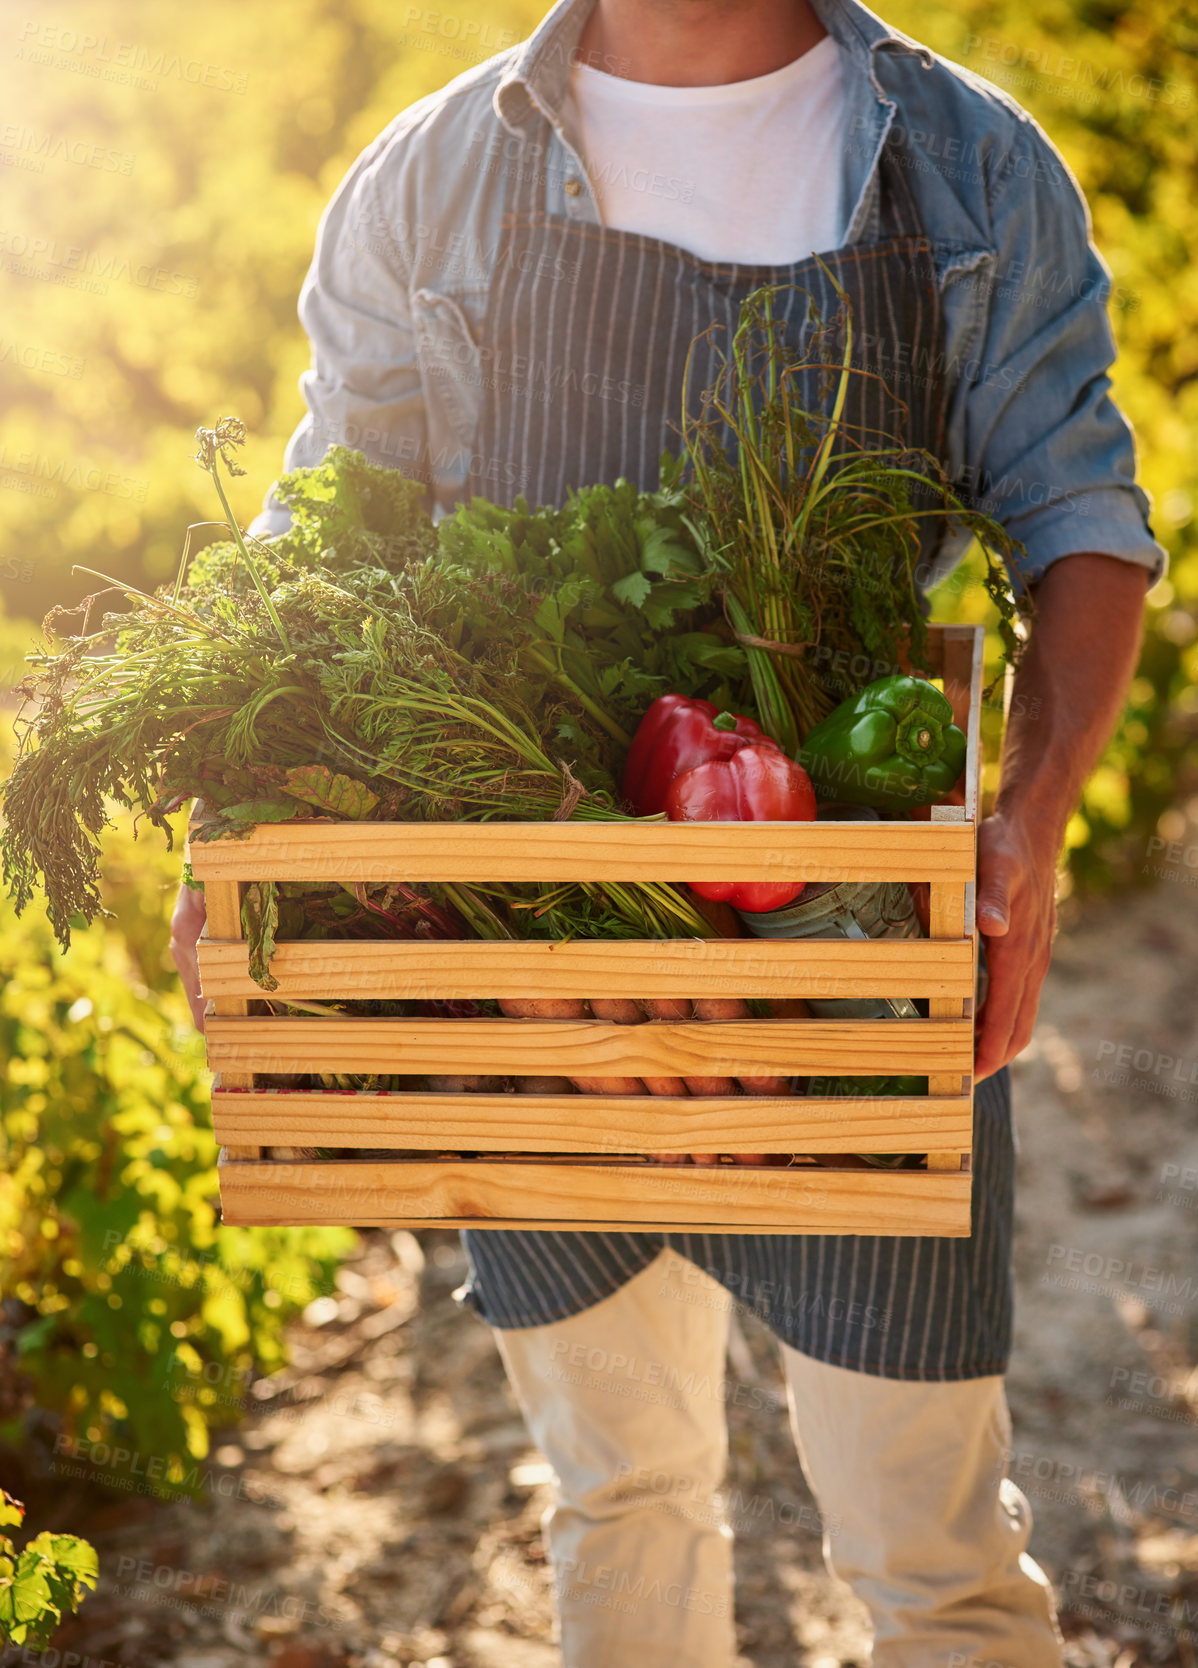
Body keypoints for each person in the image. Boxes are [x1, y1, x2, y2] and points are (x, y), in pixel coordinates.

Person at [171, 0, 1167, 1661]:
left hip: (843, 925)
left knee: (924, 1545)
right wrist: (235, 817)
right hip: (537, 926)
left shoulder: (967, 165)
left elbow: (1079, 520)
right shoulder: (436, 177)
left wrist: (1030, 831)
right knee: (618, 1494)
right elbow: (327, 526)